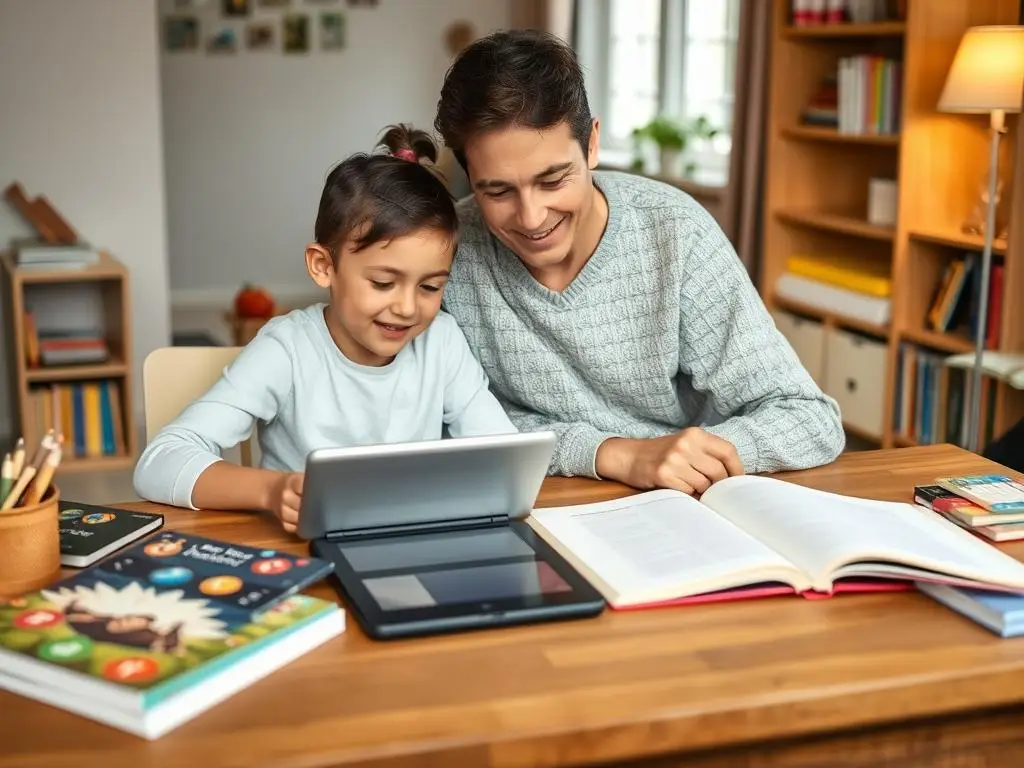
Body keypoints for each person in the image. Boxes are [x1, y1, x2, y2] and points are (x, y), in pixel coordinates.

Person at [434, 29, 845, 496]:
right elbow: (438, 425)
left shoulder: (675, 232)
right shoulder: (447, 251)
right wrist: (612, 453)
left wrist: (687, 454)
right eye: (498, 191)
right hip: (537, 501)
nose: (531, 218)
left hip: (681, 501)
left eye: (553, 180)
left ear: (591, 145)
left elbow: (808, 417)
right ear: (470, 177)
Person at [134, 125, 516, 533]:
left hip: (409, 542)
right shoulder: (287, 349)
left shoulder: (441, 341)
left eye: (430, 286)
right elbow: (159, 463)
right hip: (306, 554)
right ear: (323, 266)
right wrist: (271, 491)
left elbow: (505, 460)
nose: (406, 308)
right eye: (383, 283)